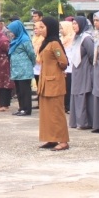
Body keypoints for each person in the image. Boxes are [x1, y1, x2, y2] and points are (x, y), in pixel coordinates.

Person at [36, 17, 70, 151]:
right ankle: (51, 138)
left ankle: (63, 140)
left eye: (43, 27)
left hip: (54, 82)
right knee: (47, 113)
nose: (40, 30)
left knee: (56, 112)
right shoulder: (46, 42)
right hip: (45, 82)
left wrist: (56, 72)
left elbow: (63, 62)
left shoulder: (55, 43)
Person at [67, 17, 95, 129]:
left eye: (76, 24)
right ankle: (78, 121)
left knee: (83, 92)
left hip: (84, 69)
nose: (74, 26)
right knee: (77, 93)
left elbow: (92, 55)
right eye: (73, 24)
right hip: (77, 69)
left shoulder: (86, 38)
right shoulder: (77, 37)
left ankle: (85, 122)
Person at [6, 20, 35, 117]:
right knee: (19, 91)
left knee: (25, 90)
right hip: (16, 70)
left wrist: (32, 64)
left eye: (12, 30)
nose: (11, 33)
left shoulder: (25, 39)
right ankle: (21, 107)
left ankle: (26, 109)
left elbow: (31, 53)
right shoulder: (15, 40)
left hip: (24, 70)